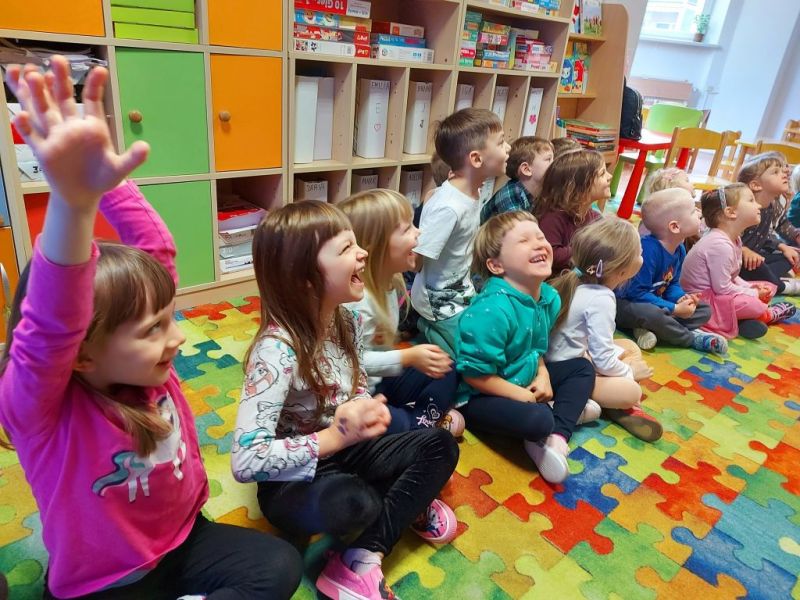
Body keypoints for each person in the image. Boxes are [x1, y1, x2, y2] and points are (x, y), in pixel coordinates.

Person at [0, 56, 301, 599]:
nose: (177, 338)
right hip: (106, 581)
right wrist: (73, 204)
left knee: (279, 565)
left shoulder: (147, 368)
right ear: (81, 353)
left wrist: (108, 180)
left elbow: (156, 253)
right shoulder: (40, 411)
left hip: (183, 540)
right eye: (152, 330)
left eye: (169, 320)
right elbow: (51, 325)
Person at [233, 200, 459, 600]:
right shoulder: (276, 351)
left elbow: (355, 385)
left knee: (440, 445)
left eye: (356, 243)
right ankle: (401, 503)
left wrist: (362, 408)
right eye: (345, 248)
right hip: (294, 478)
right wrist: (335, 436)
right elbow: (247, 460)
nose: (363, 253)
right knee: (355, 503)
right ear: (305, 277)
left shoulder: (347, 320)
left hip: (348, 449)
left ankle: (361, 557)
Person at [456, 211, 596, 483]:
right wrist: (522, 396)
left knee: (581, 368)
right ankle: (559, 416)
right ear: (496, 265)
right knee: (538, 419)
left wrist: (543, 374)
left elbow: (536, 348)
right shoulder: (492, 310)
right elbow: (474, 376)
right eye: (524, 241)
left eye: (540, 237)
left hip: (525, 377)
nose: (539, 244)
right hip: (480, 396)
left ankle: (557, 436)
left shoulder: (549, 297)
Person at [340, 189, 463, 435]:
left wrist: (412, 358)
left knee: (448, 367)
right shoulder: (357, 304)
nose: (419, 233)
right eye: (407, 229)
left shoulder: (389, 284)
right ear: (375, 248)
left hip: (380, 381)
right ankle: (419, 424)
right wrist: (407, 357)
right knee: (394, 424)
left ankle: (419, 421)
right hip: (355, 398)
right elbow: (349, 364)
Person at [548, 218, 663, 442]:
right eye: (639, 252)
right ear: (622, 269)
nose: (642, 255)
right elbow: (602, 360)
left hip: (568, 359)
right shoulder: (601, 298)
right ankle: (615, 407)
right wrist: (630, 372)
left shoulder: (576, 281)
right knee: (632, 391)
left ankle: (611, 404)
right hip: (566, 375)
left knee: (628, 345)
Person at [411, 108, 509, 356]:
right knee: (474, 357)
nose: (508, 148)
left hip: (461, 290)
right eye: (501, 142)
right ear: (476, 159)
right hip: (441, 303)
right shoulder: (449, 208)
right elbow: (416, 260)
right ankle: (427, 327)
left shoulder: (473, 188)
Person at [615, 188, 726, 354]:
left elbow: (672, 283)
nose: (698, 212)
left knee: (704, 310)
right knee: (651, 314)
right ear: (675, 226)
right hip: (626, 304)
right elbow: (635, 293)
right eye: (692, 211)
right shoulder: (648, 250)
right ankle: (690, 338)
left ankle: (650, 329)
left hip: (656, 304)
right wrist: (674, 308)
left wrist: (680, 298)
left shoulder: (679, 249)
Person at [681, 185, 796, 339]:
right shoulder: (719, 245)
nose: (758, 205)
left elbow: (732, 277)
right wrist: (754, 293)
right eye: (751, 200)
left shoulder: (734, 239)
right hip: (701, 301)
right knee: (754, 304)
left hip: (716, 293)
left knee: (766, 287)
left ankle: (741, 321)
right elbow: (722, 288)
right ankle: (766, 315)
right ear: (731, 212)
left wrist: (750, 287)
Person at [534, 150, 610, 274]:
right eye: (602, 173)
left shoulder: (595, 217)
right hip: (556, 281)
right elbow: (550, 254)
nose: (609, 176)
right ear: (578, 187)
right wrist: (586, 247)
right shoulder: (553, 218)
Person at [480, 136, 554, 223]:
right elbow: (521, 229)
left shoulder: (537, 193)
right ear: (526, 170)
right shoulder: (509, 196)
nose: (555, 163)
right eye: (548, 159)